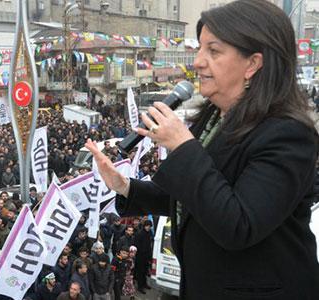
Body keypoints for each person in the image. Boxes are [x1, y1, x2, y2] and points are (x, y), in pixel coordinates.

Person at [87, 0, 319, 298]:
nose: (197, 61)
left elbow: (238, 224)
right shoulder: (213, 117)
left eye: (214, 50)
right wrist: (125, 186)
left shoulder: (286, 133)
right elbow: (193, 197)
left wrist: (183, 146)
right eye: (199, 49)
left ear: (253, 64)